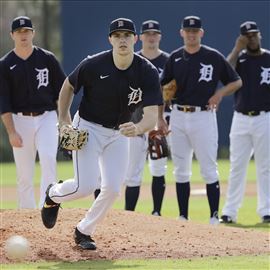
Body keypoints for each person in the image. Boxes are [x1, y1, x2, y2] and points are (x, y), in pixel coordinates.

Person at [41, 18, 163, 250]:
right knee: (85, 186)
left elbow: (150, 116)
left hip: (119, 133)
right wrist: (64, 121)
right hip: (88, 127)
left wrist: (137, 129)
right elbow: (67, 86)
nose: (122, 40)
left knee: (113, 189)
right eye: (117, 36)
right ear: (110, 40)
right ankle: (53, 195)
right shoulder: (94, 64)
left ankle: (84, 230)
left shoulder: (146, 71)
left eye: (127, 35)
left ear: (135, 39)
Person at [160, 15, 242, 224]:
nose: (191, 34)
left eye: (195, 31)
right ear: (182, 33)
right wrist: (161, 117)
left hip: (203, 115)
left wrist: (219, 94)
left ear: (201, 33)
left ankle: (214, 216)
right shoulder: (175, 58)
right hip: (178, 115)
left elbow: (236, 81)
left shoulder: (213, 57)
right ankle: (183, 216)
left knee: (208, 167)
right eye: (188, 31)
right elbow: (163, 89)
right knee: (180, 168)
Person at [0, 16, 66, 209]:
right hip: (20, 120)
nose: (23, 35)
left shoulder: (47, 58)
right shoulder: (5, 64)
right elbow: (4, 103)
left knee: (48, 158)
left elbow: (61, 93)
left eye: (27, 31)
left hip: (47, 117)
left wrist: (64, 121)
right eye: (19, 32)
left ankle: (48, 207)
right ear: (12, 35)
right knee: (24, 173)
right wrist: (11, 131)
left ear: (33, 33)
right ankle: (27, 215)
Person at [220, 21, 270, 224]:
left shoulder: (268, 58)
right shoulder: (239, 59)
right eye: (247, 36)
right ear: (242, 39)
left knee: (265, 166)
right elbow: (225, 73)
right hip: (241, 118)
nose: (252, 38)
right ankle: (229, 212)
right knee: (237, 166)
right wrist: (236, 49)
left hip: (265, 117)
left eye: (254, 35)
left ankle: (267, 210)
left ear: (260, 35)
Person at [124, 20, 170, 216]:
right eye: (147, 33)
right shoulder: (133, 60)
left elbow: (170, 90)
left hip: (159, 120)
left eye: (155, 33)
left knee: (158, 166)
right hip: (136, 119)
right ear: (140, 37)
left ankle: (156, 213)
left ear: (159, 36)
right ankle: (129, 215)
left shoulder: (168, 61)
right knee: (133, 171)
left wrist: (162, 117)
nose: (151, 36)